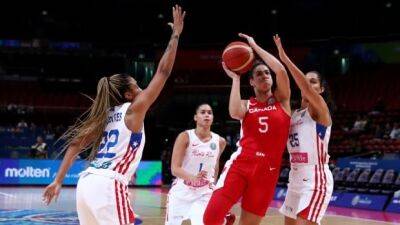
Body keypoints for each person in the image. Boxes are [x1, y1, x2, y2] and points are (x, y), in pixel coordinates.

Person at [42, 5, 185, 225]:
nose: (142, 89)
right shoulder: (133, 109)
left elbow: (74, 145)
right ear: (128, 94)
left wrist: (58, 181)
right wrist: (176, 34)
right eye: (138, 86)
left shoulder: (103, 116)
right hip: (109, 185)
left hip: (86, 184)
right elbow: (163, 72)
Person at [203, 33, 291, 225]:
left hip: (268, 170)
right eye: (259, 74)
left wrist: (254, 47)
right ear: (251, 82)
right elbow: (234, 112)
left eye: (267, 73)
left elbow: (281, 71)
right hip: (242, 164)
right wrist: (235, 78)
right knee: (210, 218)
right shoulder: (247, 104)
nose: (264, 76)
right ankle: (226, 220)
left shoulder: (282, 101)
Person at [274, 35, 334, 225]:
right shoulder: (294, 115)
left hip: (315, 179)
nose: (308, 84)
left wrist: (285, 59)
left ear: (321, 89)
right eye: (306, 81)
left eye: (313, 82)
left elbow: (306, 89)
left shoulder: (319, 110)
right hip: (295, 178)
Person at [166, 103, 232, 225]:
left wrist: (214, 184)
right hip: (182, 191)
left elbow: (215, 165)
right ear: (195, 117)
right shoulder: (185, 137)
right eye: (203, 112)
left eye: (209, 112)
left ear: (212, 118)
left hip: (204, 193)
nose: (207, 115)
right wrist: (193, 177)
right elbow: (175, 169)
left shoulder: (220, 141)